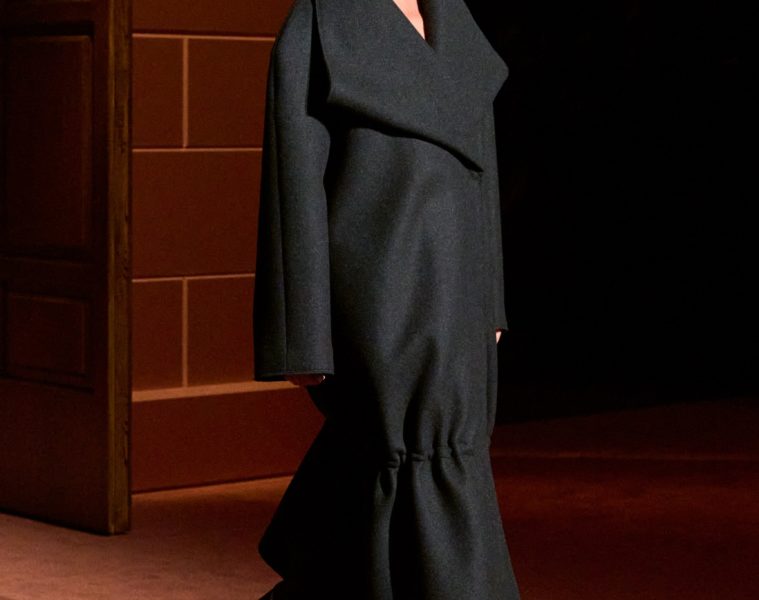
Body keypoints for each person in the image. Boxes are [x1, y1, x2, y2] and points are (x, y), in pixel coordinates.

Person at [253, 0, 520, 597]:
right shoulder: (325, 22)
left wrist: (491, 301)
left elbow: (481, 171)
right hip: (377, 287)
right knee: (406, 453)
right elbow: (293, 182)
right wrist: (300, 335)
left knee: (428, 457)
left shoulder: (454, 21)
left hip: (458, 289)